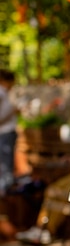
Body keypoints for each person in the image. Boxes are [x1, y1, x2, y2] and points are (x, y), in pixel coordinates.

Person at [0, 69, 18, 197]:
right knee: (5, 166)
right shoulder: (1, 93)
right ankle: (5, 193)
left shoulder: (4, 93)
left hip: (6, 133)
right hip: (4, 133)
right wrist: (12, 111)